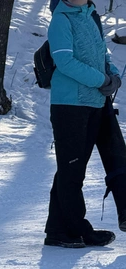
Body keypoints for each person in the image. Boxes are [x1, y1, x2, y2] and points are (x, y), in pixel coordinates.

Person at [44, 0, 126, 248]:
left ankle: (58, 229)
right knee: (72, 170)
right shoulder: (61, 19)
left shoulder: (91, 15)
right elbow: (65, 62)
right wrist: (101, 79)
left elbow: (101, 52)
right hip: (70, 105)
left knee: (115, 156)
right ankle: (72, 229)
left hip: (97, 102)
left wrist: (112, 74)